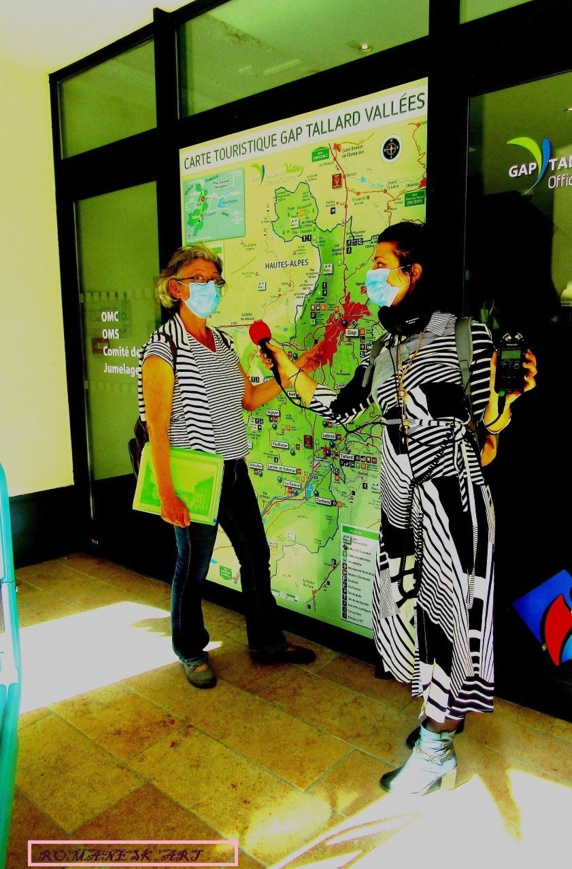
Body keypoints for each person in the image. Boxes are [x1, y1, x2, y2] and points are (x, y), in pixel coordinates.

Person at [267, 221, 536, 795]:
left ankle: (437, 750)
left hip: (451, 501)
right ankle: (441, 715)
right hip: (400, 503)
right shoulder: (381, 346)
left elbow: (488, 425)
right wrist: (287, 368)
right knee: (414, 617)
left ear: (414, 272)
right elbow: (341, 408)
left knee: (448, 621)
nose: (371, 276)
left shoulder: (465, 333)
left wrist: (508, 395)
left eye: (380, 264)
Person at [137, 243, 316, 689]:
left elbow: (249, 399)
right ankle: (190, 650)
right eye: (199, 278)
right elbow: (157, 427)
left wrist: (293, 371)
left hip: (233, 469)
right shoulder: (161, 349)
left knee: (256, 557)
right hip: (195, 477)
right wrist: (168, 494)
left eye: (215, 280)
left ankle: (266, 643)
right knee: (193, 568)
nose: (210, 287)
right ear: (175, 288)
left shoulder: (221, 341)